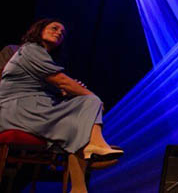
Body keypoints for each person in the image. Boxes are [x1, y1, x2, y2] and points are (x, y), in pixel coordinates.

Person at [0, 19, 123, 193]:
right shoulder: (31, 49)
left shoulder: (44, 57)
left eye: (63, 32)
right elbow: (61, 80)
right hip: (17, 110)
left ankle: (80, 185)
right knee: (91, 101)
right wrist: (89, 94)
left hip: (35, 108)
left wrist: (66, 92)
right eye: (54, 28)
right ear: (40, 29)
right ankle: (93, 148)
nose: (59, 32)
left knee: (77, 124)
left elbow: (54, 87)